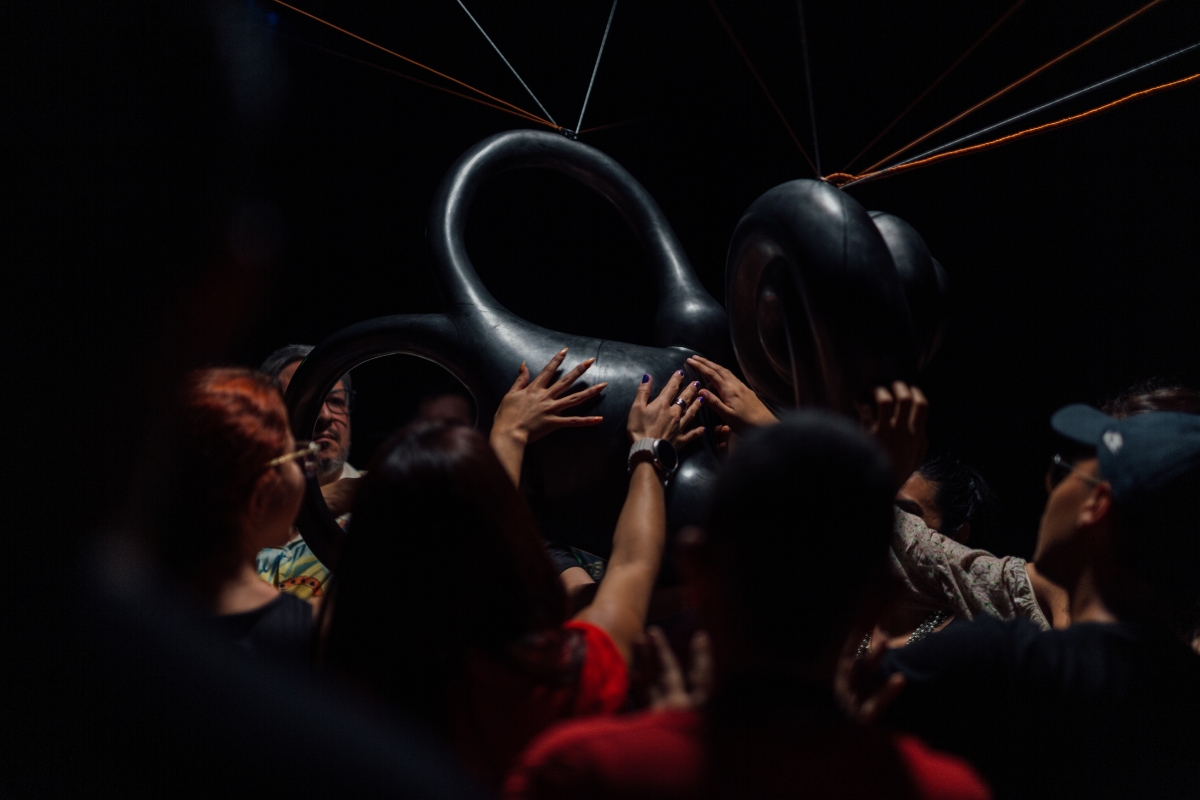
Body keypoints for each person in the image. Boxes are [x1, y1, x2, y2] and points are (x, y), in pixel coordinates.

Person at [506, 413, 990, 800]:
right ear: (878, 595)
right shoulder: (941, 788)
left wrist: (666, 741)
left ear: (696, 570)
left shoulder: (581, 772)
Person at [321, 360, 704, 789]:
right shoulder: (557, 680)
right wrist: (649, 451)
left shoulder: (330, 684)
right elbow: (632, 564)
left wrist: (507, 432)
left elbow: (464, 544)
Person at [872, 405, 1200, 799]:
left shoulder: (990, 663)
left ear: (1096, 505)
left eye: (1064, 472)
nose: (1049, 485)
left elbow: (821, 703)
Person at [687, 354, 1060, 631]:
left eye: (905, 513)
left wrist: (783, 441)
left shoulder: (977, 630)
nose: (878, 520)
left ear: (957, 537)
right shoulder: (840, 611)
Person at [159, 367, 316, 660]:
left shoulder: (124, 602)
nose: (305, 468)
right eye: (295, 454)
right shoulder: (305, 636)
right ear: (259, 497)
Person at [256, 344, 359, 600]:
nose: (324, 415)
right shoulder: (235, 512)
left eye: (335, 401)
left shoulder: (385, 500)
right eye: (305, 401)